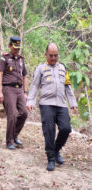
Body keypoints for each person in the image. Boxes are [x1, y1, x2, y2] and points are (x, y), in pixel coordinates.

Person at [26, 43, 78, 171]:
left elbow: (68, 87)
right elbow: (34, 85)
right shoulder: (41, 68)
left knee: (66, 128)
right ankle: (50, 158)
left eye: (56, 55)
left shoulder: (63, 68)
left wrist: (73, 103)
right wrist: (30, 101)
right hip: (46, 103)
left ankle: (56, 150)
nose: (54, 58)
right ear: (46, 55)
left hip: (61, 104)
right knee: (49, 130)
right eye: (51, 55)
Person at [0, 37, 28, 150]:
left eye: (18, 48)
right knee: (12, 115)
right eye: (15, 48)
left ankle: (14, 135)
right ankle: (9, 141)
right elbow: (0, 74)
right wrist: (0, 92)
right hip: (8, 88)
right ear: (10, 46)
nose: (17, 50)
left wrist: (25, 92)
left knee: (24, 113)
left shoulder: (21, 59)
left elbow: (25, 76)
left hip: (19, 89)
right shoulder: (4, 58)